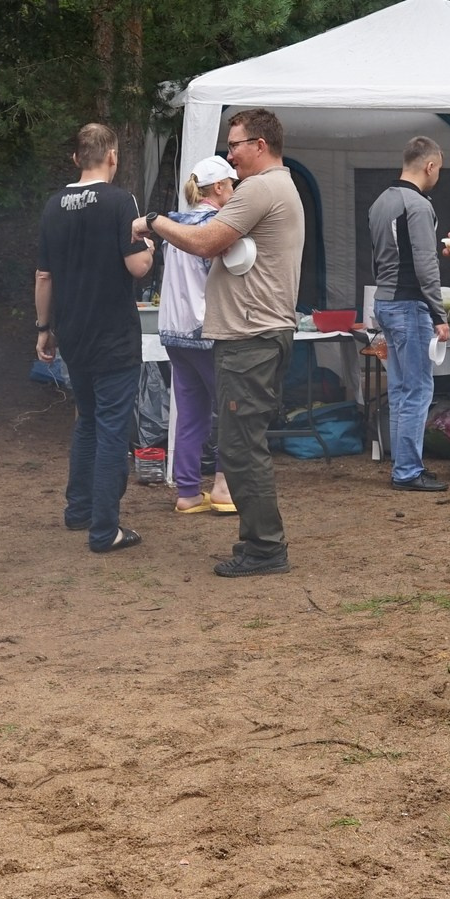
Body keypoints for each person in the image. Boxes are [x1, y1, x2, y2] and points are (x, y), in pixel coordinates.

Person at [138, 107, 306, 578]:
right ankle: (259, 545)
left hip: (250, 336)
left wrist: (154, 221)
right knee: (238, 443)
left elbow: (206, 240)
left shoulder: (260, 189)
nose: (229, 156)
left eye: (235, 145)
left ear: (260, 144)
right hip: (253, 333)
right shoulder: (276, 187)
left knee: (241, 446)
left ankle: (266, 549)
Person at [35, 123, 154, 554]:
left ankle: (78, 509)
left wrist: (44, 329)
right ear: (113, 157)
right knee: (111, 428)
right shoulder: (121, 201)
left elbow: (44, 274)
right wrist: (151, 248)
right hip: (115, 336)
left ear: (75, 159)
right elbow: (138, 267)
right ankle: (105, 530)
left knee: (86, 420)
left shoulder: (53, 206)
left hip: (73, 335)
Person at [366, 135, 450, 492]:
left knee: (402, 389)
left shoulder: (380, 201)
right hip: (408, 304)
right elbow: (425, 263)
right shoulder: (416, 204)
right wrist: (439, 312)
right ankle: (407, 472)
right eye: (438, 170)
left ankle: (405, 466)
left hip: (384, 302)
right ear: (429, 166)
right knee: (417, 390)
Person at [156, 156, 238, 515]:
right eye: (232, 185)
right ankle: (223, 485)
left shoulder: (172, 226)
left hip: (174, 330)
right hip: (207, 329)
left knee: (190, 413)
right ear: (218, 188)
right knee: (233, 409)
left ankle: (187, 491)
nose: (235, 192)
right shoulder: (216, 226)